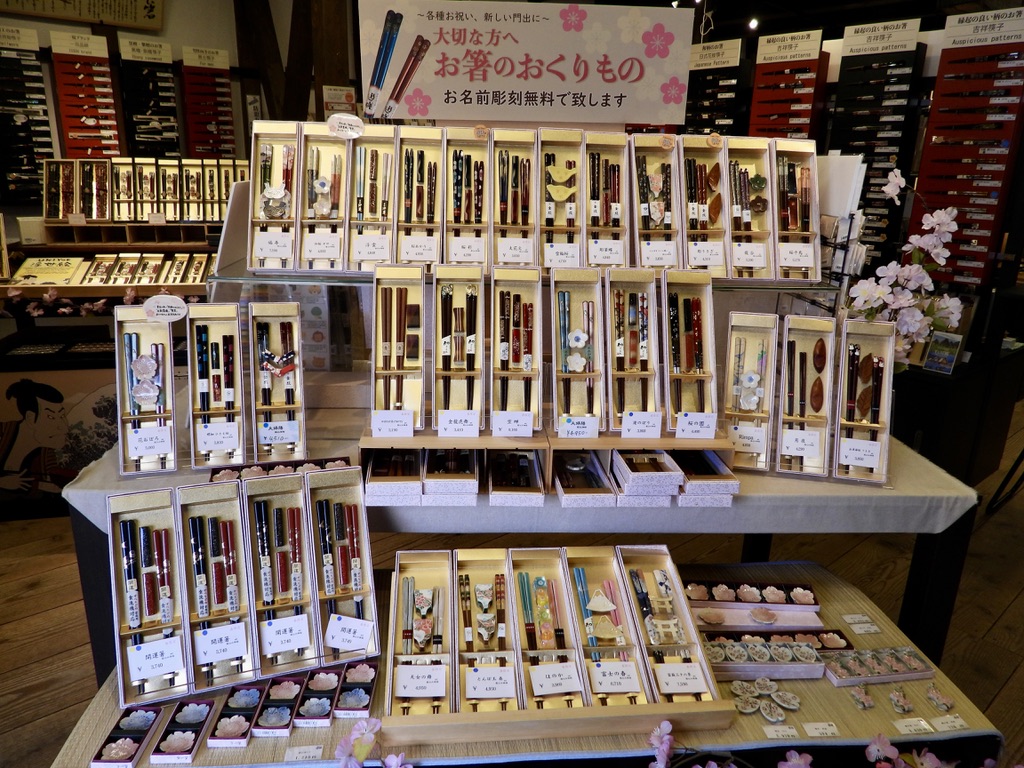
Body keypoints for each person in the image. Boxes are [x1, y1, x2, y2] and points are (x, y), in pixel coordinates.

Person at [0, 378, 72, 496]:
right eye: (51, 417)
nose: (63, 427)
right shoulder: (3, 432)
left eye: (62, 416)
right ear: (30, 417)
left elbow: (49, 480)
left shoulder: (46, 453)